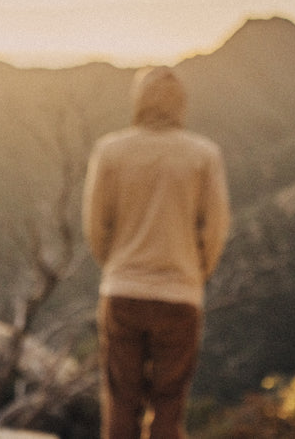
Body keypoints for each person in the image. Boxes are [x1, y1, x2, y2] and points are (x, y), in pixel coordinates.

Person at [82, 65, 231, 439]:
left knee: (121, 403)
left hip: (122, 292)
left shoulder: (111, 150)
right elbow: (215, 229)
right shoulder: (203, 155)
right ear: (182, 103)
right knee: (168, 408)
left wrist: (117, 264)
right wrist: (196, 274)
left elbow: (95, 225)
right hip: (180, 295)